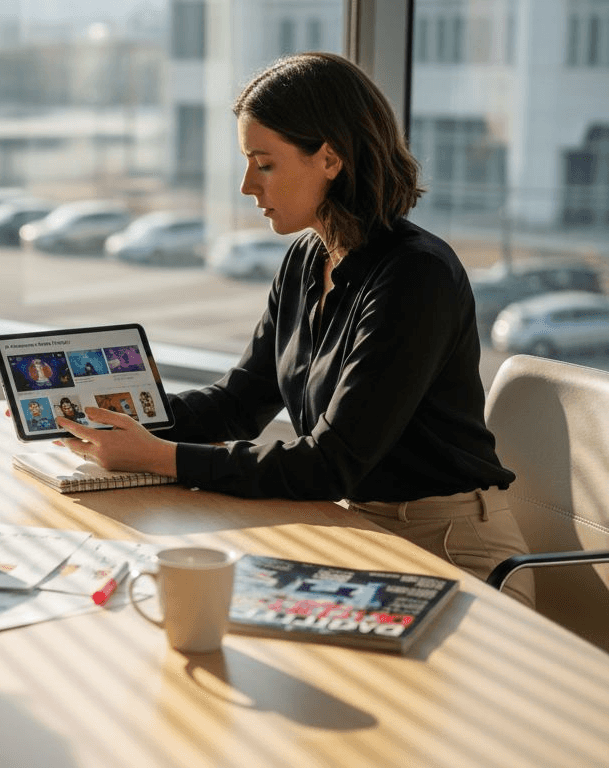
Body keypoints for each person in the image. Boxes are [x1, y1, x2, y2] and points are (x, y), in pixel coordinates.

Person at [56, 52, 535, 606]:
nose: (245, 186)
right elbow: (239, 403)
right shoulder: (308, 257)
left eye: (264, 163)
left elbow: (329, 464)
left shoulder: (415, 275)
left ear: (329, 158)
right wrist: (102, 414)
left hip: (451, 545)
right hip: (355, 526)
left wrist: (156, 456)